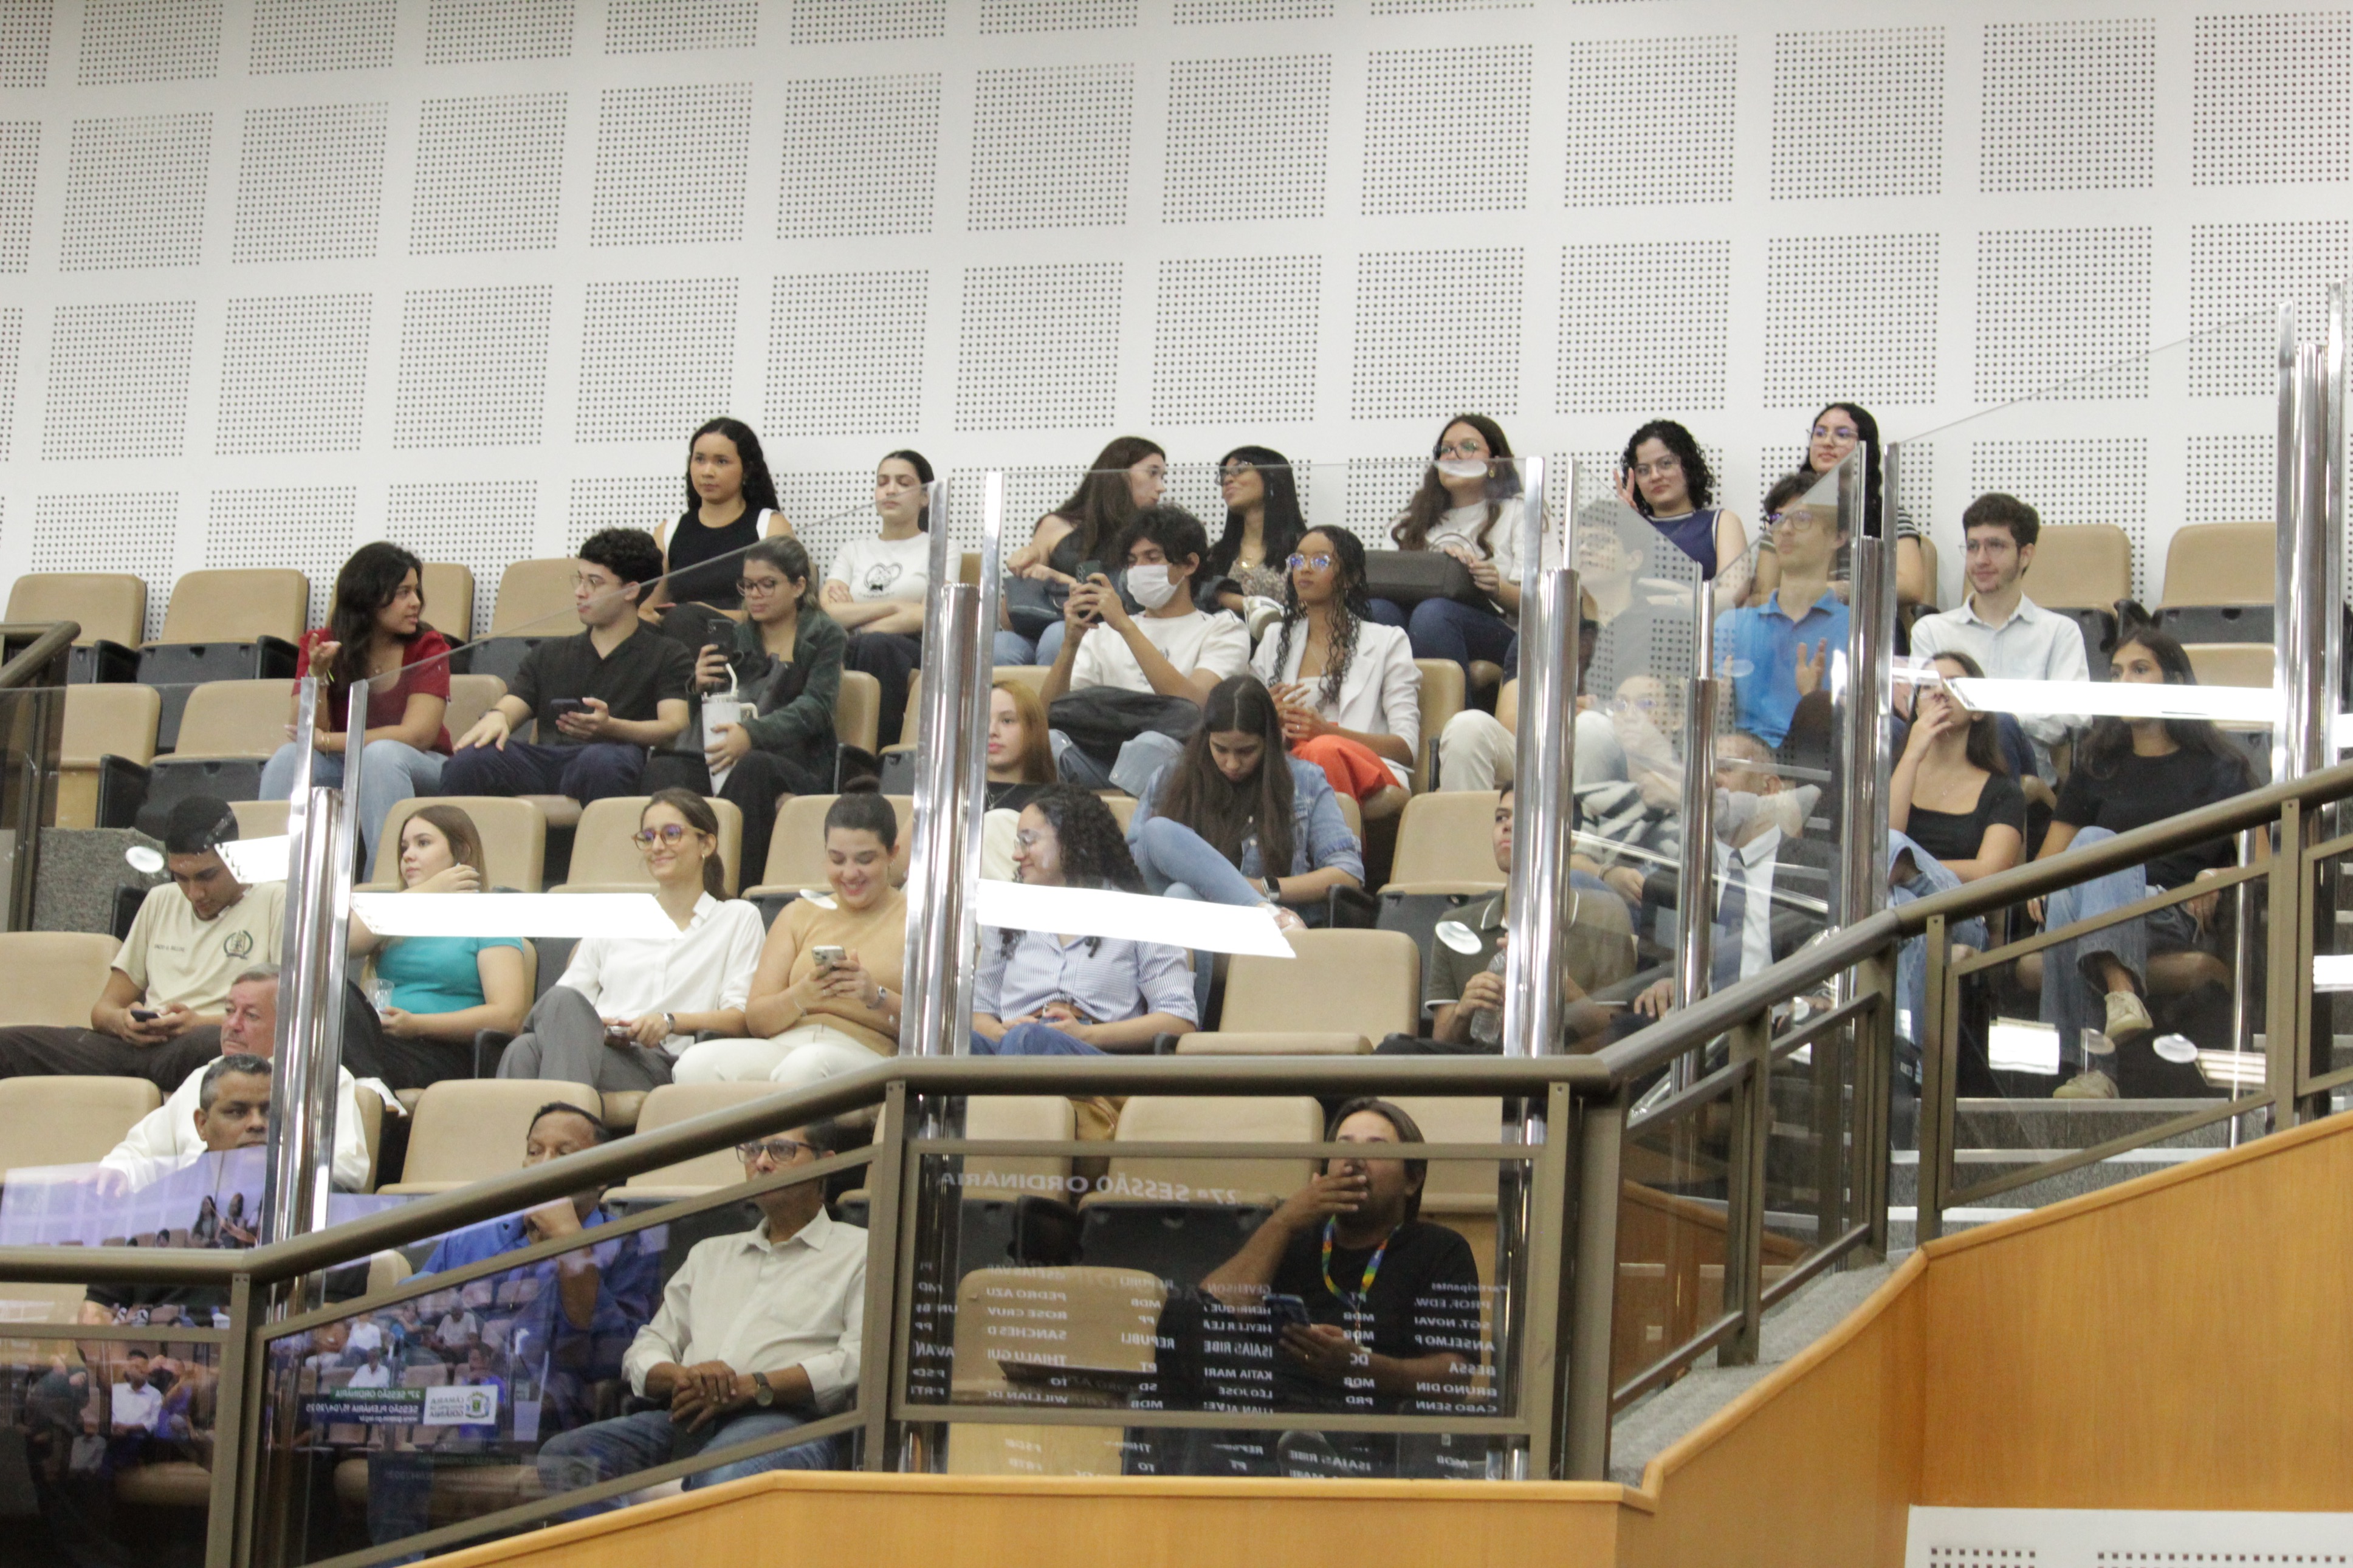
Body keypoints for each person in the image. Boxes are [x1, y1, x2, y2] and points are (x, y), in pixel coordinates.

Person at [535, 1123, 865, 1508]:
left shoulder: (859, 1250)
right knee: (565, 1456)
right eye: (752, 1150)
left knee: (723, 1475)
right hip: (688, 1413)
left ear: (826, 1164)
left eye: (781, 1150)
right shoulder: (710, 1254)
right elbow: (647, 1346)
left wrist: (753, 1386)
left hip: (787, 1420)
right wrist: (682, 1376)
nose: (761, 1162)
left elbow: (858, 1360)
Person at [1181, 1098, 1484, 1477]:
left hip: (1370, 1423)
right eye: (1343, 1147)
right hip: (1268, 1407)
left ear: (1412, 1180)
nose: (1354, 1161)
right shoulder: (1290, 1236)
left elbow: (1454, 1377)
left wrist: (1359, 1366)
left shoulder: (1440, 1250)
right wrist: (1284, 1221)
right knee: (1182, 1319)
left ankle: (1315, 1459)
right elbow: (1210, 1315)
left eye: (1376, 1149)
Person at [2035, 626, 2257, 1098]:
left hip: (2171, 908)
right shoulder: (2097, 766)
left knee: (2095, 848)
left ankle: (2090, 1065)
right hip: (2094, 907)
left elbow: (2265, 861)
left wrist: (2218, 875)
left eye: (2140, 669)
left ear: (2173, 681)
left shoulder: (2220, 768)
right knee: (2085, 863)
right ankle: (2121, 998)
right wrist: (2040, 888)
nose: (2125, 682)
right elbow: (2046, 866)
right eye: (2116, 673)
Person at [0, 796, 284, 1089]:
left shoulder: (276, 901)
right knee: (8, 1046)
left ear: (235, 857)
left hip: (203, 1041)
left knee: (217, 1045)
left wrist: (195, 1022)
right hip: (136, 1047)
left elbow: (285, 1016)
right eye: (181, 878)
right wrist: (123, 1022)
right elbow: (103, 1009)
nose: (194, 893)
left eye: (206, 876)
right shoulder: (160, 900)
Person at [495, 792, 764, 1091]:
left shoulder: (737, 917)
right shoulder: (618, 917)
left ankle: (563, 1117)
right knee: (526, 1046)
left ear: (707, 844)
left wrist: (669, 1021)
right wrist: (600, 1027)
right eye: (648, 837)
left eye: (671, 834)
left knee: (530, 1046)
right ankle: (567, 1119)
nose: (657, 846)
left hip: (664, 1063)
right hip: (599, 1047)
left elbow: (741, 1018)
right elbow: (564, 1004)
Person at [972, 788, 1197, 1114]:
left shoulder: (1142, 914)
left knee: (1032, 1040)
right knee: (949, 1046)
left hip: (1100, 1058)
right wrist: (1001, 1031)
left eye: (1028, 841)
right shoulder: (1007, 915)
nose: (1017, 855)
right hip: (1013, 1047)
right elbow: (980, 1013)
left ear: (1072, 842)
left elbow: (1179, 1021)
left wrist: (1087, 1035)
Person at [439, 528, 693, 804]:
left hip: (613, 755)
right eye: (580, 580)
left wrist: (612, 727)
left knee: (604, 762)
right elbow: (513, 705)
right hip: (545, 759)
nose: (580, 592)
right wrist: (499, 716)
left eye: (594, 583)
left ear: (630, 591)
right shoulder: (549, 654)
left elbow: (674, 725)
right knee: (470, 761)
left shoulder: (667, 653)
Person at [673, 791, 907, 1089]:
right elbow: (757, 1021)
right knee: (694, 1064)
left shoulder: (917, 920)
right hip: (787, 1045)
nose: (850, 873)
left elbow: (937, 1030)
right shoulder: (799, 914)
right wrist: (801, 995)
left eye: (865, 859)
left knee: (806, 1065)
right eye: (837, 859)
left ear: (892, 853)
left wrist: (876, 996)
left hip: (868, 1052)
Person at [650, 535, 845, 890]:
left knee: (753, 767)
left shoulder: (825, 634)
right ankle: (669, 885)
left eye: (767, 585)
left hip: (797, 762)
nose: (755, 595)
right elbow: (709, 715)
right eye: (748, 585)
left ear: (799, 586)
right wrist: (699, 687)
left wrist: (752, 734)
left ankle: (732, 888)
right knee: (663, 768)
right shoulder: (737, 637)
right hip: (730, 752)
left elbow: (817, 707)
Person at [257, 542, 452, 878]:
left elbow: (418, 735)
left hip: (420, 765)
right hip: (347, 764)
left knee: (381, 756)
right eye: (403, 593)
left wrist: (328, 741)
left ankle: (382, 885)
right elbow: (305, 729)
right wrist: (318, 675)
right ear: (368, 598)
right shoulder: (321, 644)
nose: (416, 603)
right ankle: (270, 884)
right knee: (288, 760)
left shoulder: (428, 645)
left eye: (416, 591)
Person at [1623, 733, 1838, 1024]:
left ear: (1769, 788)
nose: (1710, 779)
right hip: (1690, 1029)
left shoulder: (1818, 869)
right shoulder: (1675, 875)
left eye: (1725, 768)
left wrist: (1811, 1003)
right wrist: (1662, 984)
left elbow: (1833, 971)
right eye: (1703, 769)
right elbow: (1652, 970)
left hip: (1778, 1034)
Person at [98, 965, 373, 1191]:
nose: (232, 1025)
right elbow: (141, 1152)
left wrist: (260, 1167)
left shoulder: (322, 1080)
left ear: (288, 1027)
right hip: (194, 1220)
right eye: (230, 1011)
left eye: (250, 1015)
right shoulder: (204, 1077)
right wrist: (118, 1172)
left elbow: (349, 1167)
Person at [1041, 504, 1251, 794]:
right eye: (1132, 561)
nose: (1139, 570)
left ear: (1190, 564)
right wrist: (1070, 644)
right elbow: (1048, 715)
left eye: (1152, 558)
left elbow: (1194, 708)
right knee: (1048, 743)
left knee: (1149, 746)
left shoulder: (1223, 629)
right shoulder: (1103, 633)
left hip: (1178, 760)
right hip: (1101, 756)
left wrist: (1126, 627)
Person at [1403, 786, 1627, 1053]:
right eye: (1501, 817)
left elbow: (1615, 1040)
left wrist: (1559, 983)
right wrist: (1464, 1010)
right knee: (1394, 1049)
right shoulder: (1456, 925)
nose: (1507, 826)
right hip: (1478, 1069)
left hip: (1558, 1069)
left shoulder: (1605, 917)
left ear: (1566, 838)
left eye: (1522, 817)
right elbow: (1440, 1045)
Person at [1127, 676, 1364, 926]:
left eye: (1246, 751)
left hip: (1267, 932)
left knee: (1181, 895)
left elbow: (1347, 874)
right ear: (1206, 738)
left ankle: (1260, 908)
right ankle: (1262, 910)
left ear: (1269, 742)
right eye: (1220, 749)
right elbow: (1132, 869)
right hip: (1179, 922)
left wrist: (1263, 888)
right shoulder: (1169, 777)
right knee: (1159, 841)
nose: (1232, 764)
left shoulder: (1305, 781)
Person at [1909, 492, 2091, 793]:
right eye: (1973, 547)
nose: (1981, 559)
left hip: (2020, 774)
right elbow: (1920, 707)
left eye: (1995, 546)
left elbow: (2075, 715)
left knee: (2003, 727)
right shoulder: (1932, 630)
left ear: (2025, 555)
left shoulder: (2060, 632)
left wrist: (2004, 718)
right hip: (1944, 771)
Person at [79, 1054, 272, 1328]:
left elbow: (331, 1316)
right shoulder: (151, 1204)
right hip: (158, 1350)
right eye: (237, 1112)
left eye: (268, 1111)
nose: (257, 1123)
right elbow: (96, 1312)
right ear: (202, 1124)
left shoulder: (313, 1201)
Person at [348, 806, 529, 1089]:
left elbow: (508, 1016)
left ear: (461, 852)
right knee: (338, 995)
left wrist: (417, 1025)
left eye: (423, 843)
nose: (408, 855)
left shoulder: (490, 915)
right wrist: (426, 892)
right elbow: (342, 942)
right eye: (404, 847)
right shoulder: (395, 916)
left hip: (443, 1051)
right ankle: (376, 1091)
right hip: (381, 1042)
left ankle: (374, 1091)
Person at [1252, 529, 1419, 817]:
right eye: (1298, 560)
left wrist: (1328, 733)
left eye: (1320, 561)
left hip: (1368, 767)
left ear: (1350, 578)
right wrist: (1267, 715)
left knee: (1323, 750)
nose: (1305, 569)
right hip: (1289, 761)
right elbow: (1244, 722)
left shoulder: (1388, 641)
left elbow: (1406, 748)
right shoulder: (1274, 639)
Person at [1371, 414, 1530, 677]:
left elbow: (1544, 606)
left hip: (1502, 635)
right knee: (1378, 611)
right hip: (1418, 621)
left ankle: (1451, 706)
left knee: (1433, 614)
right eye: (1445, 450)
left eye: (1468, 447)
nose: (1453, 456)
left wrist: (1496, 587)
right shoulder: (1406, 522)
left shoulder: (1521, 512)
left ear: (1494, 462)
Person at [997, 435, 1168, 665]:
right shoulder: (1054, 526)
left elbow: (1139, 608)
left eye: (1162, 476)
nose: (1161, 487)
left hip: (1110, 633)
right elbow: (1010, 619)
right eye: (1152, 473)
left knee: (1058, 636)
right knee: (1001, 645)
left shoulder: (1148, 538)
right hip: (1043, 628)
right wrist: (1022, 574)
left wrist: (1058, 579)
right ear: (1119, 473)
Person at [1751, 402, 1930, 618]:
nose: (1828, 442)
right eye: (1820, 433)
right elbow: (1762, 594)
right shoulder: (1785, 514)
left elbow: (1911, 586)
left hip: (1863, 623)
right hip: (1794, 621)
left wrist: (1835, 591)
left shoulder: (1886, 514)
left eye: (1842, 435)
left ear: (1865, 448)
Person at [1716, 473, 1850, 751]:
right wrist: (1716, 702)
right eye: (1777, 519)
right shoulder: (1733, 624)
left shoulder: (1856, 629)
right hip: (1743, 761)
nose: (1785, 529)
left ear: (1838, 537)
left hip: (1819, 760)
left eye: (1801, 518)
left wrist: (1814, 704)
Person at [826, 450, 934, 750]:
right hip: (852, 644)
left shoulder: (940, 547)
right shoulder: (853, 550)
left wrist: (858, 620)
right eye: (883, 482)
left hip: (911, 646)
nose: (891, 490)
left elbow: (929, 615)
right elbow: (829, 614)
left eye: (903, 483)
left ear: (925, 497)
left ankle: (877, 755)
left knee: (875, 646)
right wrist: (896, 606)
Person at [647, 416, 792, 615]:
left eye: (721, 461)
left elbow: (787, 609)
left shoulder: (770, 526)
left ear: (747, 469)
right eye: (700, 460)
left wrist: (703, 615)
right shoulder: (668, 532)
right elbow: (646, 611)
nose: (707, 472)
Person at [1618, 418, 1753, 609]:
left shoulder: (1720, 522)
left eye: (1666, 464)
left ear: (1688, 466)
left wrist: (1656, 604)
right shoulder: (1631, 527)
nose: (1655, 476)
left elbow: (1735, 593)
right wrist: (1623, 524)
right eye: (1644, 470)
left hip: (1698, 627)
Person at [1203, 446, 1307, 632]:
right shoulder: (1215, 555)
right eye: (1224, 474)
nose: (1228, 480)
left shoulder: (1304, 550)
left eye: (1240, 470)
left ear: (1272, 476)